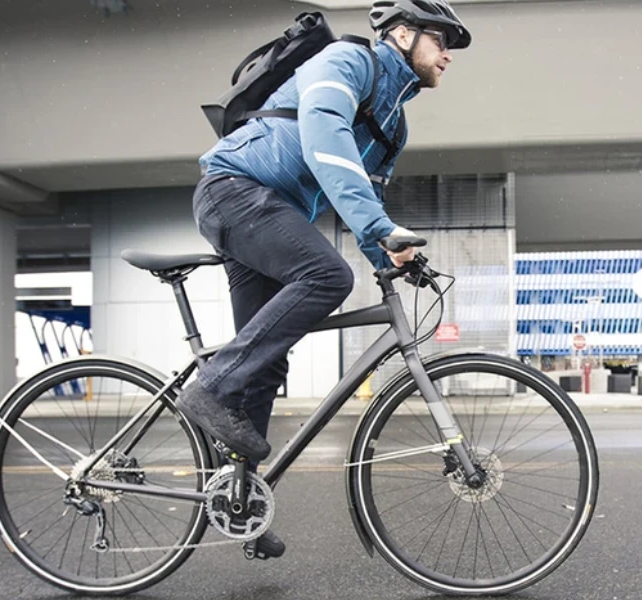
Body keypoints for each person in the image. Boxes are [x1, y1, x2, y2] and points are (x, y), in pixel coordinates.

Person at [176, 0, 471, 558]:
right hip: (233, 189)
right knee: (326, 276)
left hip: (267, 209)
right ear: (403, 34)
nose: (448, 54)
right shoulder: (348, 61)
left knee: (264, 364)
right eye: (442, 40)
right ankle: (209, 390)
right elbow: (323, 135)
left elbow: (364, 197)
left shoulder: (393, 126)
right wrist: (379, 227)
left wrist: (390, 256)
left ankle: (241, 504)